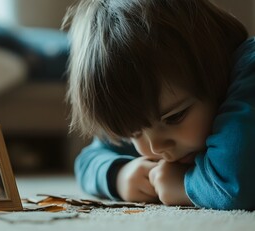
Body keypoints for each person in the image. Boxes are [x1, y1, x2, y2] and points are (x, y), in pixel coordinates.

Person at [64, 0, 255, 210]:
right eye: (133, 132)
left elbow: (237, 184)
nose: (155, 147)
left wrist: (182, 184)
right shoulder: (150, 115)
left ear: (217, 63)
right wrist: (120, 174)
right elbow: (87, 161)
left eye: (174, 117)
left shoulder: (248, 68)